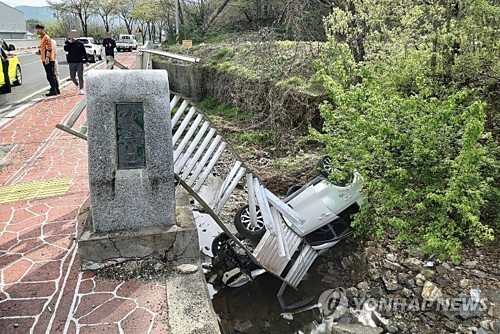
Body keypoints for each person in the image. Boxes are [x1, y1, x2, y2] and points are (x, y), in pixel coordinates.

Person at [35, 24, 59, 96]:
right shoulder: (42, 38)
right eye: (37, 29)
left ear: (42, 29)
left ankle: (54, 89)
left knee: (50, 75)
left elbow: (49, 48)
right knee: (51, 74)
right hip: (45, 58)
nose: (37, 31)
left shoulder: (46, 38)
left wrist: (47, 58)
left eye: (38, 29)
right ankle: (55, 88)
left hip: (48, 59)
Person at [63, 30, 89, 95]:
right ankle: (76, 84)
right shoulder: (67, 43)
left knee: (80, 76)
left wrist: (86, 60)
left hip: (79, 62)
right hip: (71, 62)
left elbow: (84, 52)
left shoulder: (80, 44)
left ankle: (81, 89)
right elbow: (65, 49)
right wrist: (69, 42)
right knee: (72, 76)